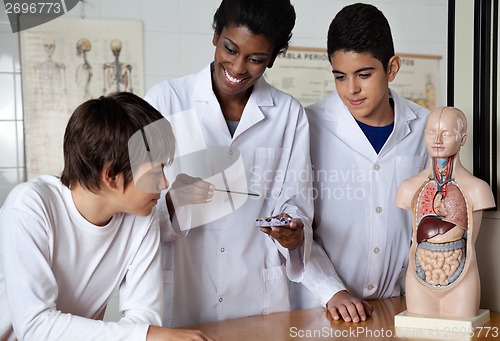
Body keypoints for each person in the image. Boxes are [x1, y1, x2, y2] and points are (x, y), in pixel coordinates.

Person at [145, 0, 313, 328]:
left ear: (273, 58)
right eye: (230, 49)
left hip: (256, 296)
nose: (237, 68)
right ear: (215, 35)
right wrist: (175, 203)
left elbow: (297, 201)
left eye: (256, 59)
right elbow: (134, 210)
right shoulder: (164, 101)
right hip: (181, 292)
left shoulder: (288, 114)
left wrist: (292, 233)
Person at [0, 92, 212, 341]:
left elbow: (144, 319)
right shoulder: (30, 206)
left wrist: (149, 334)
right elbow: (35, 326)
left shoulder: (143, 218)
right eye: (156, 171)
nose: (165, 183)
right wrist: (149, 335)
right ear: (110, 175)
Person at [290, 3, 429, 323]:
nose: (351, 89)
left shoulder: (424, 126)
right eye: (340, 76)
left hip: (397, 305)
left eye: (364, 75)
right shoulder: (307, 126)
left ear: (391, 68)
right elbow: (297, 220)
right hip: (321, 307)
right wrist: (331, 290)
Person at [395, 106, 495, 318]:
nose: (437, 139)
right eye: (432, 132)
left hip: (462, 274)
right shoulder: (409, 187)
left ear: (463, 138)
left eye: (446, 133)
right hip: (420, 274)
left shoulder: (478, 189)